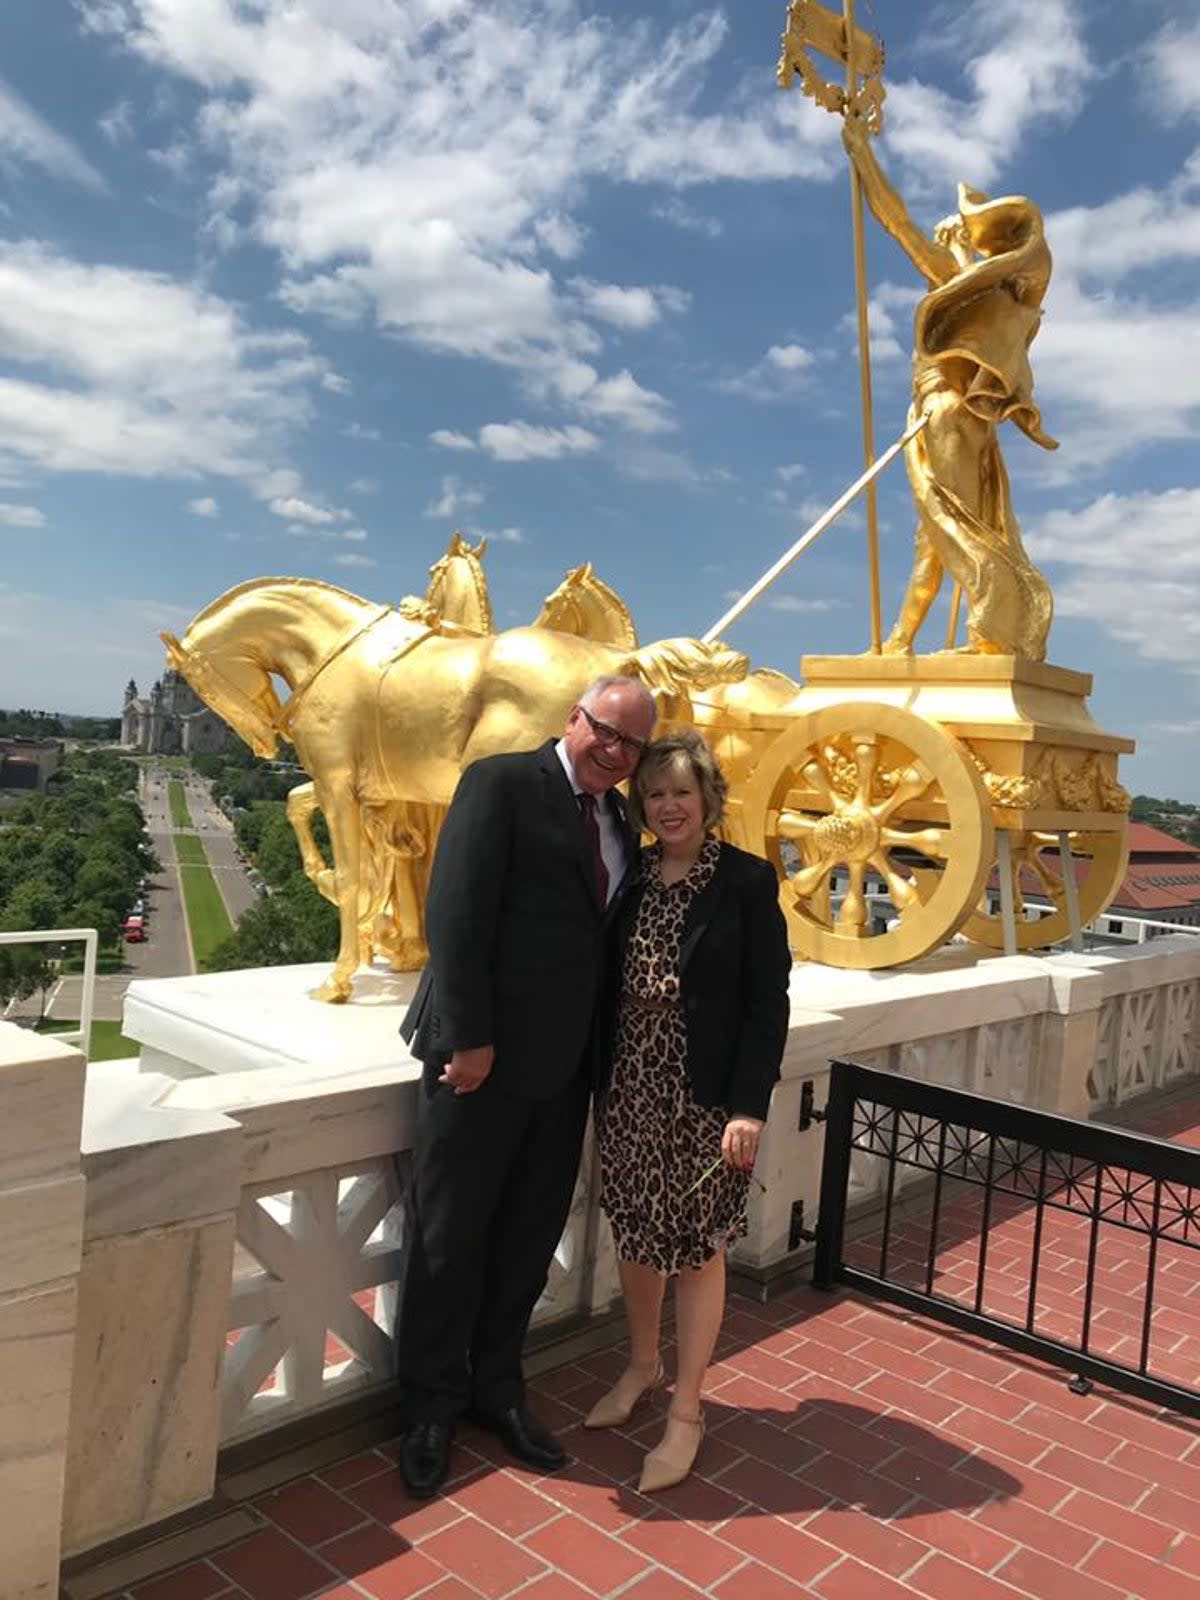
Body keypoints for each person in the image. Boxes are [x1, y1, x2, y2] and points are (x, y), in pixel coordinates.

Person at [395, 674, 657, 1499]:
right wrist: (470, 1039)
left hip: (566, 1068)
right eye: (606, 732)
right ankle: (429, 1408)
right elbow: (457, 911)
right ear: (573, 719)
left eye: (632, 744)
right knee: (449, 1234)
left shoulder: (620, 818)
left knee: (526, 1239)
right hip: (480, 1063)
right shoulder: (503, 781)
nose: (615, 752)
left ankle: (497, 1392)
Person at [586, 729, 791, 1492]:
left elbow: (767, 1006)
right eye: (655, 794)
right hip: (631, 1090)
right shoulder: (630, 876)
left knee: (698, 1247)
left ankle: (689, 1409)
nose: (668, 805)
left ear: (708, 797)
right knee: (637, 1232)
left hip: (705, 1101)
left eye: (681, 791)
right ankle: (642, 1366)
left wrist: (748, 1106)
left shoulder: (744, 881)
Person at [842, 115, 1056, 659]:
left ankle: (984, 629)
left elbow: (897, 223)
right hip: (967, 425)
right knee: (940, 532)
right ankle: (903, 641)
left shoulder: (975, 292)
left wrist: (862, 155)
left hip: (945, 415)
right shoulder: (1010, 301)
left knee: (950, 527)